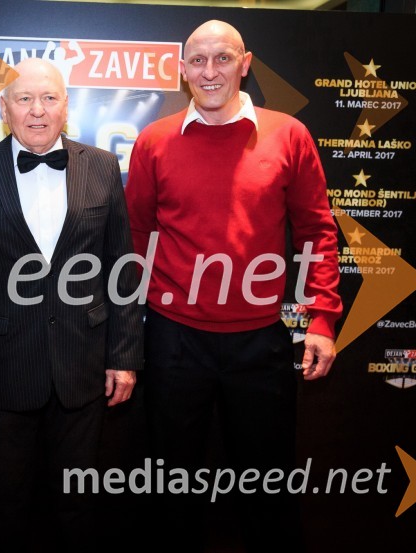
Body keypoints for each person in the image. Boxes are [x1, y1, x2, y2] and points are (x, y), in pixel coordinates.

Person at [124, 20, 341, 552]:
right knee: (172, 489)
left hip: (260, 340)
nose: (209, 71)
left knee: (268, 490)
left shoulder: (289, 134)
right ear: (182, 71)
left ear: (245, 64)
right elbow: (135, 236)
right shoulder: (153, 141)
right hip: (173, 340)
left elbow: (316, 230)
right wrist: (131, 330)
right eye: (197, 61)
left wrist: (322, 317)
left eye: (222, 58)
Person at [0, 58, 143, 552]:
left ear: (66, 107)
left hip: (83, 368)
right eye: (23, 99)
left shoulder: (101, 166)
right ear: (4, 109)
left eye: (49, 98)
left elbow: (122, 272)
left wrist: (124, 357)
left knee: (78, 504)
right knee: (6, 505)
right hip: (4, 367)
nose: (37, 110)